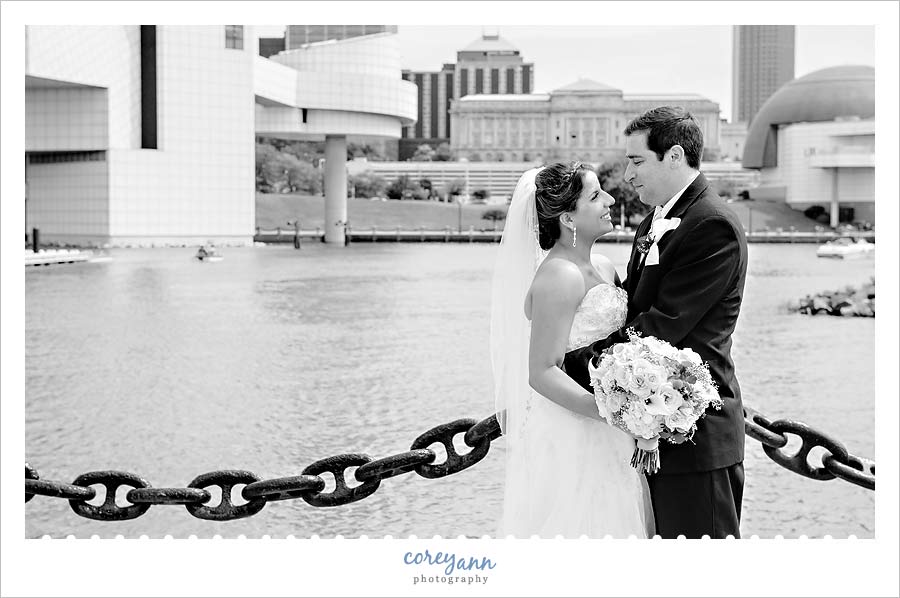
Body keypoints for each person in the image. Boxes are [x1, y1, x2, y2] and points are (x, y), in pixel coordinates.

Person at [491, 161, 653, 538]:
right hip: (576, 432)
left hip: (616, 429)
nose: (611, 200)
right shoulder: (559, 276)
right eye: (596, 196)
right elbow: (542, 371)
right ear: (567, 217)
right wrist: (612, 411)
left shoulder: (603, 265)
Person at [618, 106, 748, 538]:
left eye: (637, 161)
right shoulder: (653, 221)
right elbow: (635, 309)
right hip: (649, 423)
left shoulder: (712, 225)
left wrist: (572, 363)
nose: (628, 174)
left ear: (674, 156)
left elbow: (663, 325)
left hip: (697, 437)